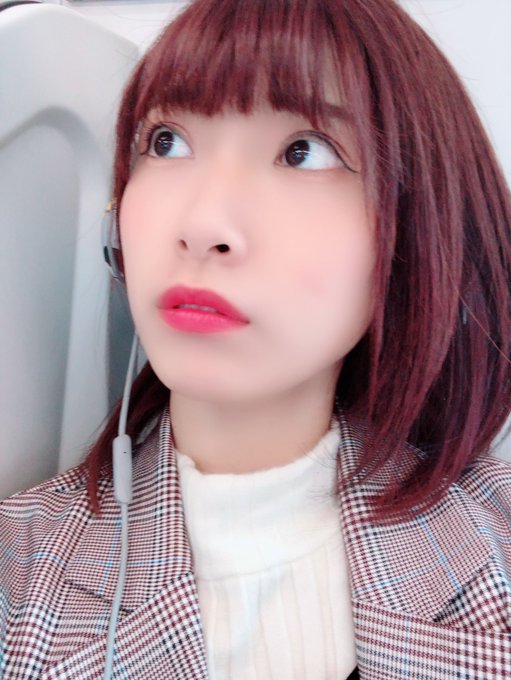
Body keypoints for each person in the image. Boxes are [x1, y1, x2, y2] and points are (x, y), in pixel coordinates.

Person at [2, 0, 511, 677]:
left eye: (304, 152)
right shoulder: (18, 573)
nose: (202, 225)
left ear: (416, 233)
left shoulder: (495, 541)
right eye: (166, 142)